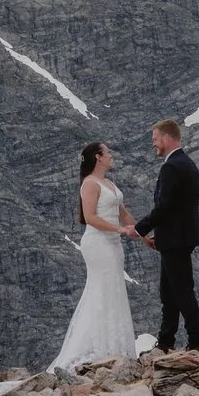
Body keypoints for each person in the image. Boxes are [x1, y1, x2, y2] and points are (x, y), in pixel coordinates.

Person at [49, 140, 142, 370]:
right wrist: (120, 230)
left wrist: (142, 233)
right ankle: (99, 350)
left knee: (114, 289)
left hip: (113, 243)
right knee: (102, 288)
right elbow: (90, 217)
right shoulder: (89, 184)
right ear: (98, 157)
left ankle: (115, 348)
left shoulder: (108, 183)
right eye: (108, 152)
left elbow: (123, 214)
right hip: (98, 243)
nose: (111, 155)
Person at [135, 117, 199, 352]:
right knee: (169, 293)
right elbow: (176, 208)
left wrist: (139, 228)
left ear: (166, 137)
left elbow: (164, 206)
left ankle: (196, 341)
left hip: (176, 240)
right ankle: (165, 341)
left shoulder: (172, 167)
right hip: (176, 238)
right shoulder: (186, 164)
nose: (154, 144)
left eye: (155, 139)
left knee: (182, 292)